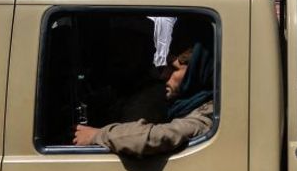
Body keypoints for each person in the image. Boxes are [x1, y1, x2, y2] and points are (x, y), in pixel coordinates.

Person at [72, 36, 215, 157]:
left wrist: (97, 136)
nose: (164, 75)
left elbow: (155, 137)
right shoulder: (185, 104)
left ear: (197, 73)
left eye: (174, 69)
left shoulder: (207, 114)